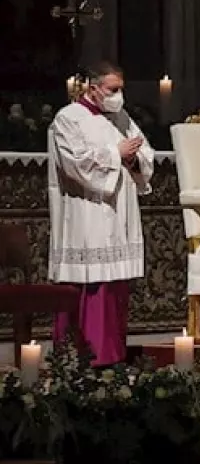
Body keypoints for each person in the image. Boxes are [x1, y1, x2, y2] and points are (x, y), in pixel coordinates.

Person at [47, 61, 154, 366]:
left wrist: (134, 161)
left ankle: (113, 354)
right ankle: (79, 355)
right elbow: (75, 165)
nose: (119, 96)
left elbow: (145, 153)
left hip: (117, 211)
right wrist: (116, 154)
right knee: (89, 284)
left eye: (121, 89)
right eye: (113, 89)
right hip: (86, 212)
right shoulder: (68, 119)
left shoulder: (121, 118)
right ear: (93, 88)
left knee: (114, 286)